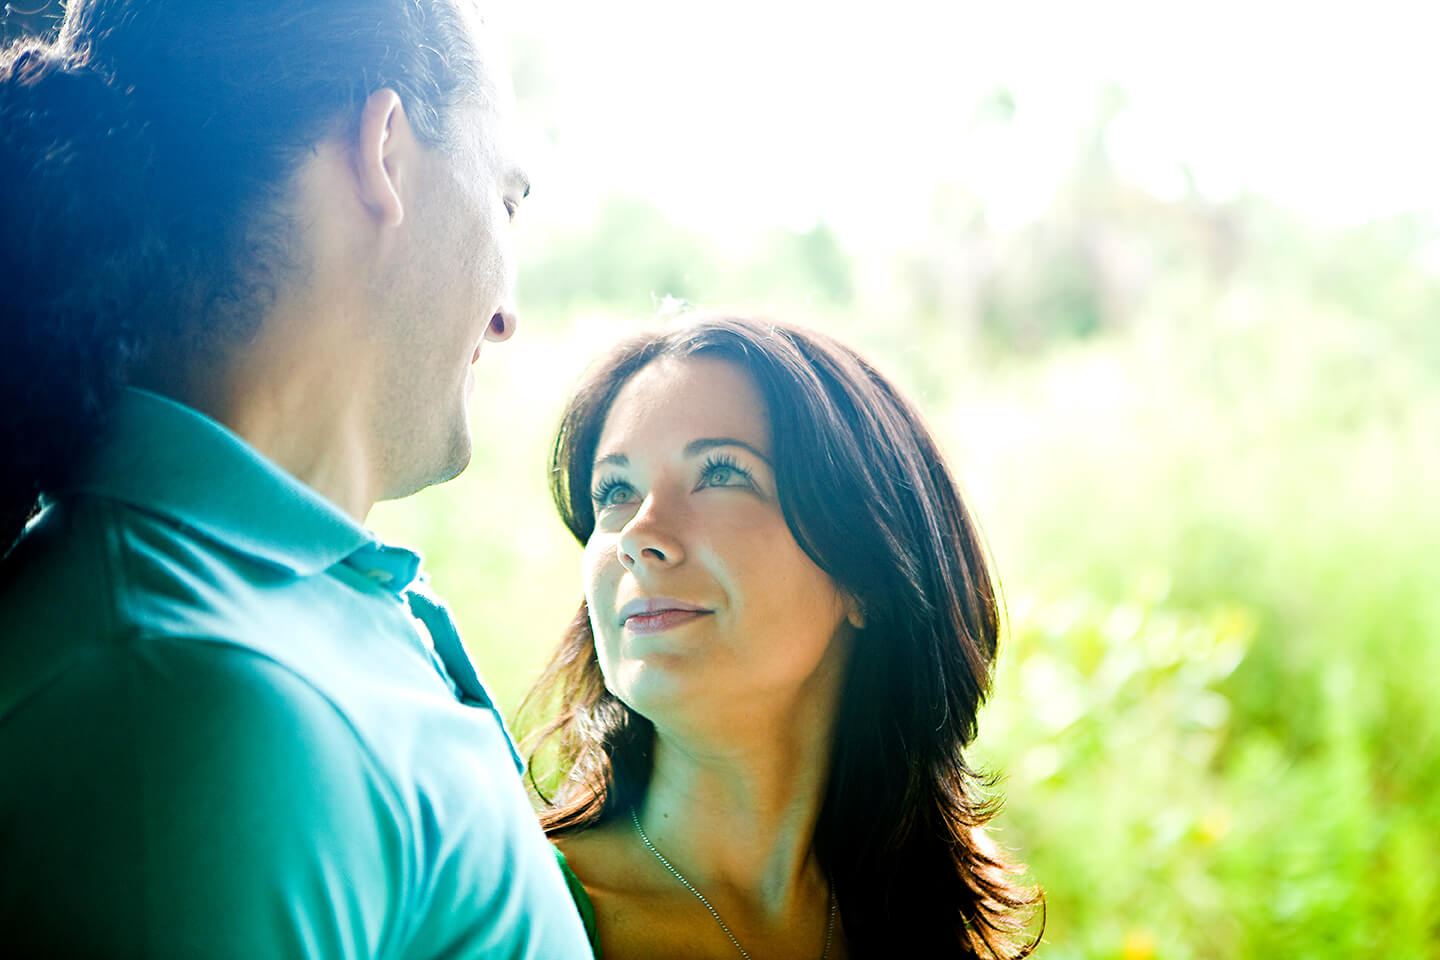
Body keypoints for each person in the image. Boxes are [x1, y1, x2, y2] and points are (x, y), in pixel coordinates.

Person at [0, 2, 591, 956]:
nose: (506, 317)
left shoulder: (277, 622)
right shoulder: (187, 714)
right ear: (384, 151)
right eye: (507, 200)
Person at [520, 315, 1043, 958]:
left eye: (720, 474)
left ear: (865, 571)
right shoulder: (520, 912)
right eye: (615, 490)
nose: (637, 534)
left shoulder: (928, 918)